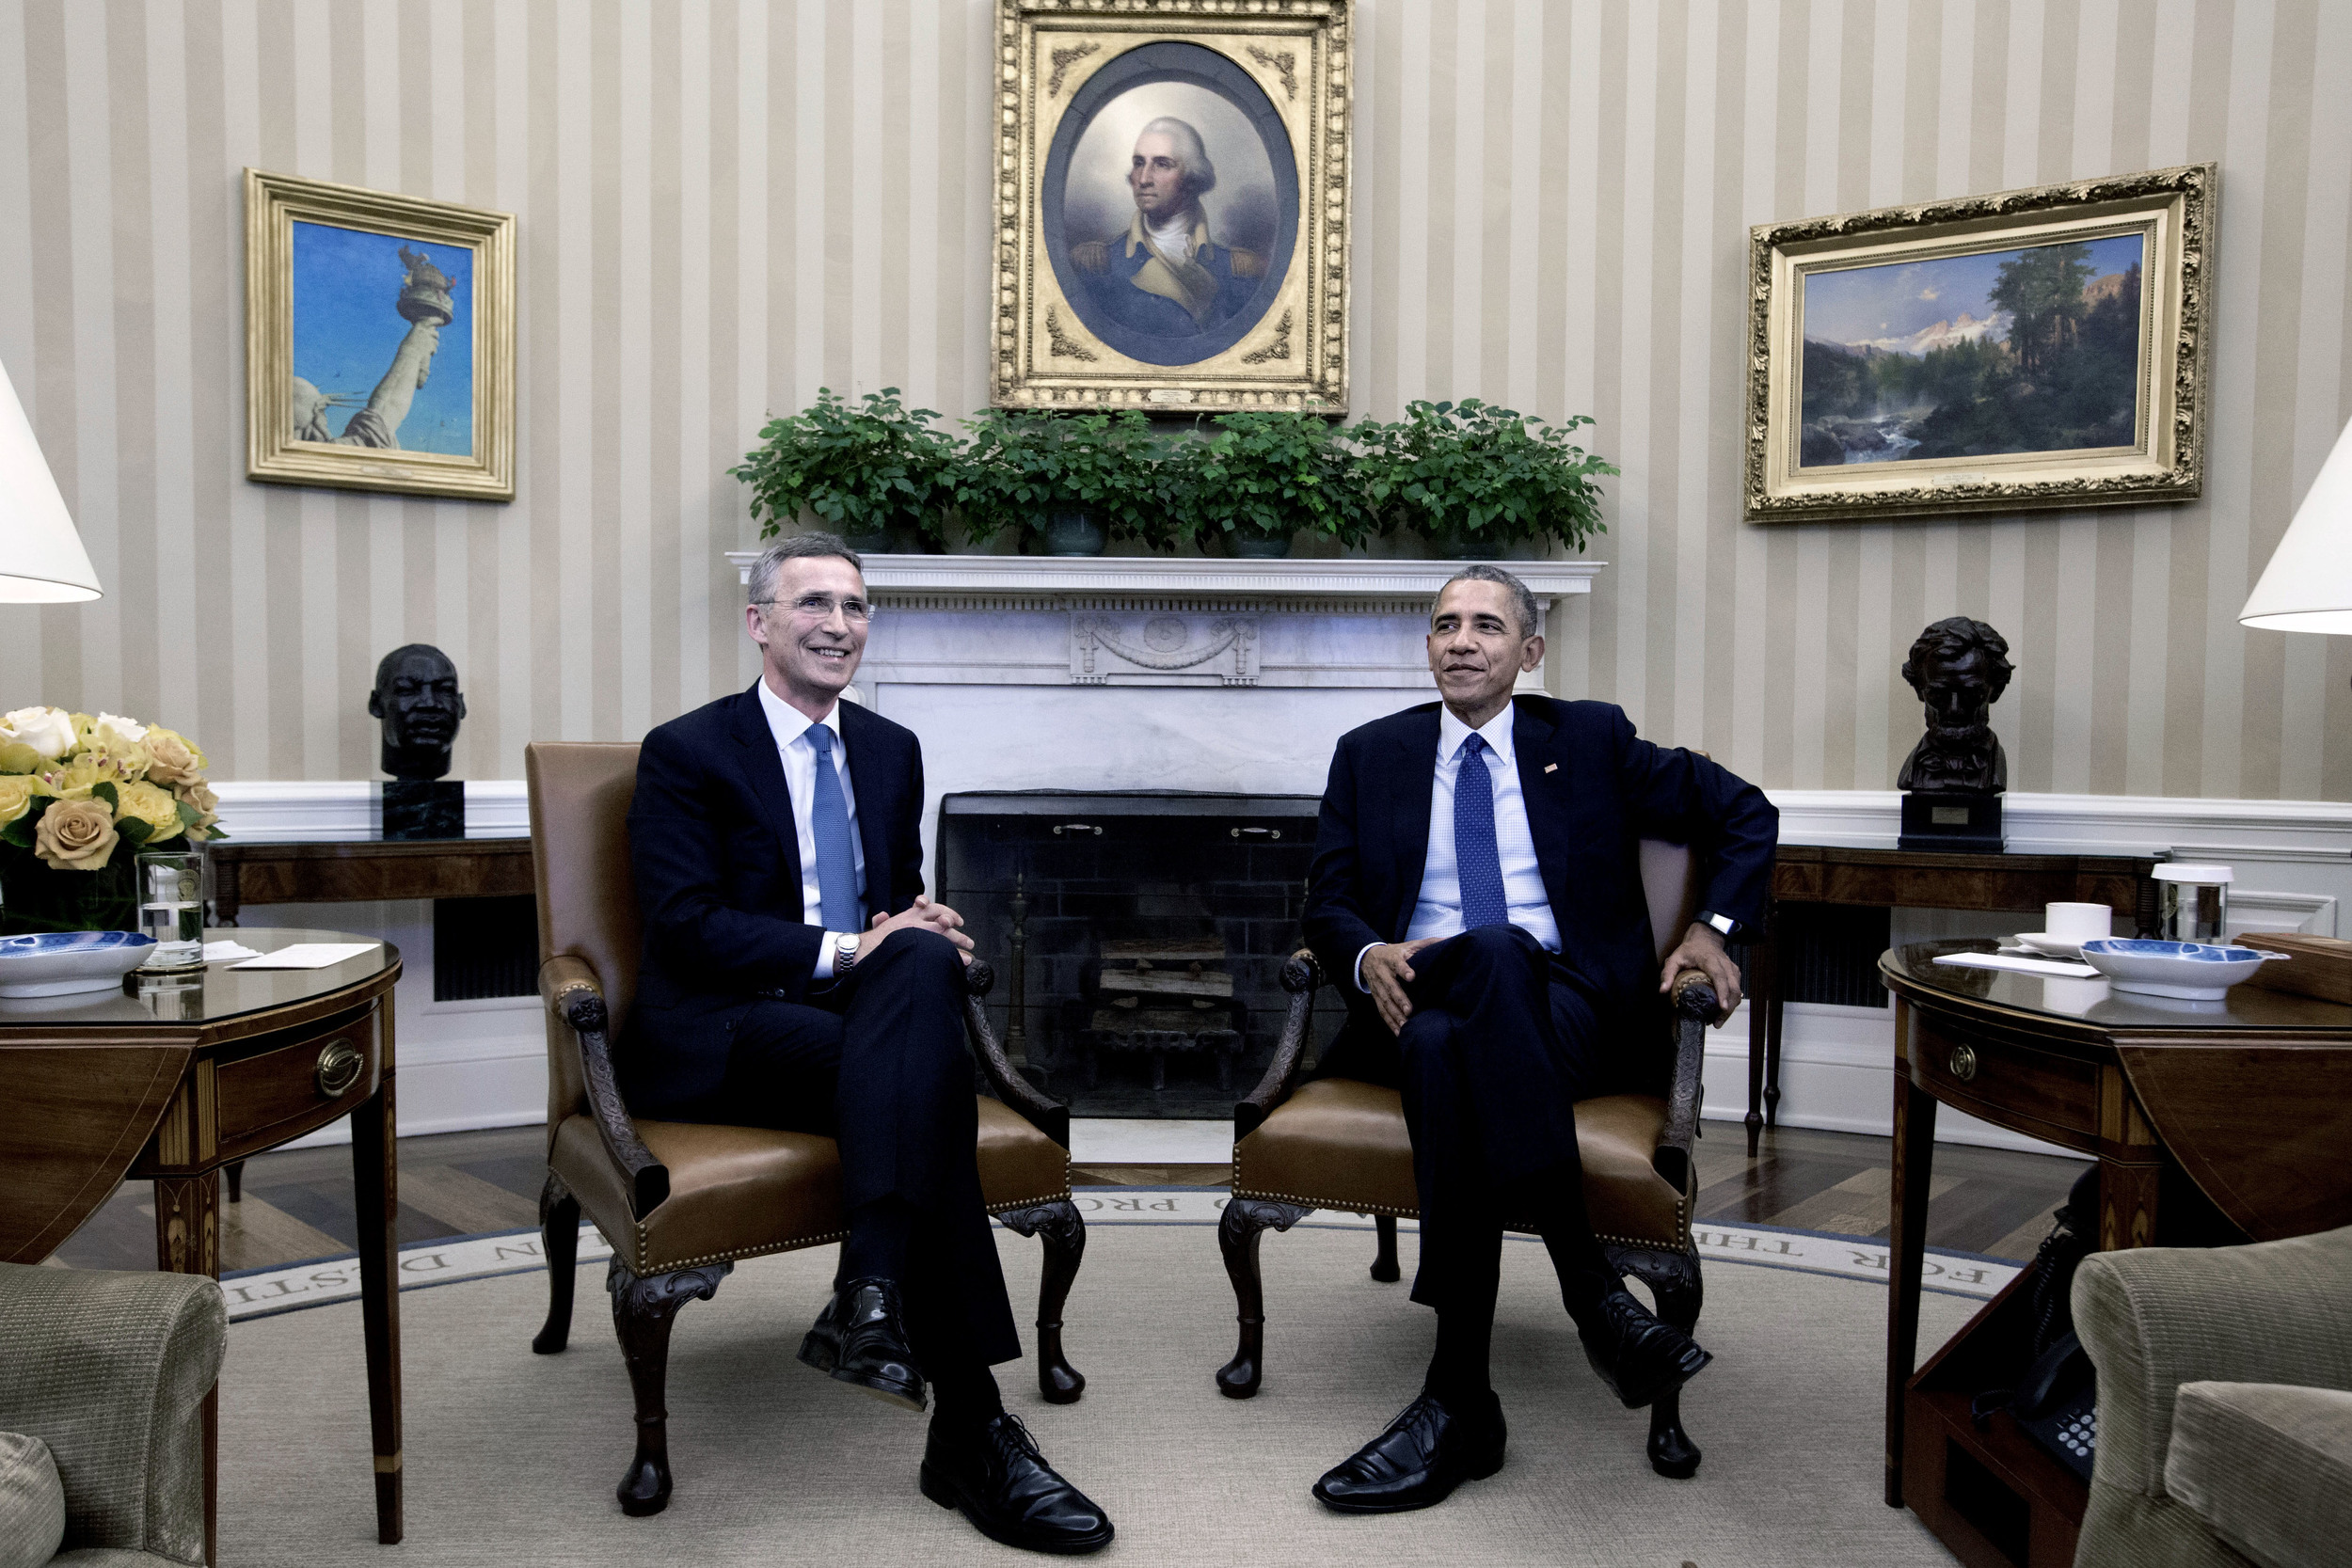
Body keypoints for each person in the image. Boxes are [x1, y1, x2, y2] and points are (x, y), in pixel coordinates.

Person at [618, 533, 1115, 1554]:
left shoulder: (890, 750)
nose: (837, 623)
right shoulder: (688, 750)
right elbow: (684, 926)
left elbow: (893, 904)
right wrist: (859, 945)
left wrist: (916, 929)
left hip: (848, 1025)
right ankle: (968, 1419)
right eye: (812, 604)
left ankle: (880, 1299)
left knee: (925, 967)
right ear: (760, 623)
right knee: (921, 1082)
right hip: (721, 1026)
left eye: (853, 605)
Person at [1300, 563, 1777, 1513]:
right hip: (1414, 1002)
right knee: (1443, 1027)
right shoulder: (1370, 753)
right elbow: (1328, 898)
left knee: (1486, 970)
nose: (1461, 640)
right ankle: (1586, 1294)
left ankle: (1460, 1398)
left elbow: (1744, 811)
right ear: (1428, 646)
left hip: (1572, 1008)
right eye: (1444, 624)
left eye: (1485, 624)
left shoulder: (1589, 738)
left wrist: (1710, 931)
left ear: (1530, 651)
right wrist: (1367, 956)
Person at [1069, 116, 1264, 340]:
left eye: (1162, 164)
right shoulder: (1097, 266)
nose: (1143, 179)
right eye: (1139, 163)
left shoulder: (1239, 271)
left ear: (1191, 177)